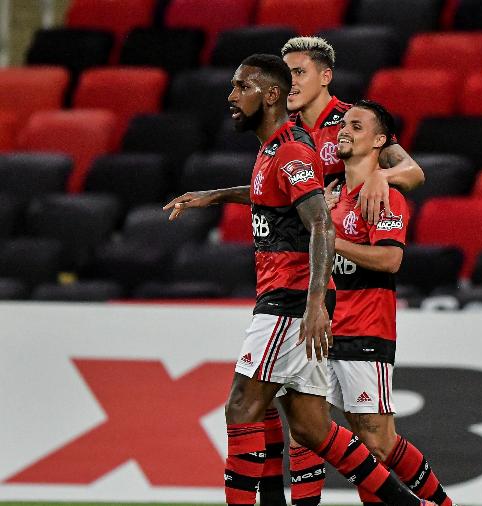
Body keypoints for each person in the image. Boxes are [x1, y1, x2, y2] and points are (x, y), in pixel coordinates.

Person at [163, 54, 436, 506]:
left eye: (240, 87)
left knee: (242, 407)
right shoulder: (276, 149)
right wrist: (212, 197)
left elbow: (323, 226)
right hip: (304, 301)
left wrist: (312, 307)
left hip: (290, 301)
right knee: (310, 428)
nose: (231, 97)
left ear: (269, 95)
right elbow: (269, 192)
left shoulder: (294, 147)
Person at [303, 100, 452, 506]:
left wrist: (335, 241)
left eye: (356, 126)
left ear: (380, 141)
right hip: (327, 329)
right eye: (343, 125)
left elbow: (390, 259)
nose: (343, 131)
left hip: (366, 330)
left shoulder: (384, 196)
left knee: (378, 442)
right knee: (325, 435)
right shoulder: (332, 199)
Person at [281, 36, 424, 224]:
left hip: (350, 237)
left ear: (325, 77)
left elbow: (414, 173)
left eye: (299, 72)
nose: (289, 82)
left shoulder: (355, 121)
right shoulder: (282, 132)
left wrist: (381, 175)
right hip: (301, 241)